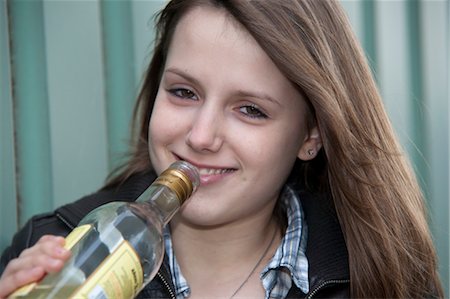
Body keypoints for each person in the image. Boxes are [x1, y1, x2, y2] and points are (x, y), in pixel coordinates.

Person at [0, 0, 444, 298]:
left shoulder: (380, 279)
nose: (201, 136)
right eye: (184, 93)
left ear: (311, 135)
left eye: (250, 109)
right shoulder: (51, 247)